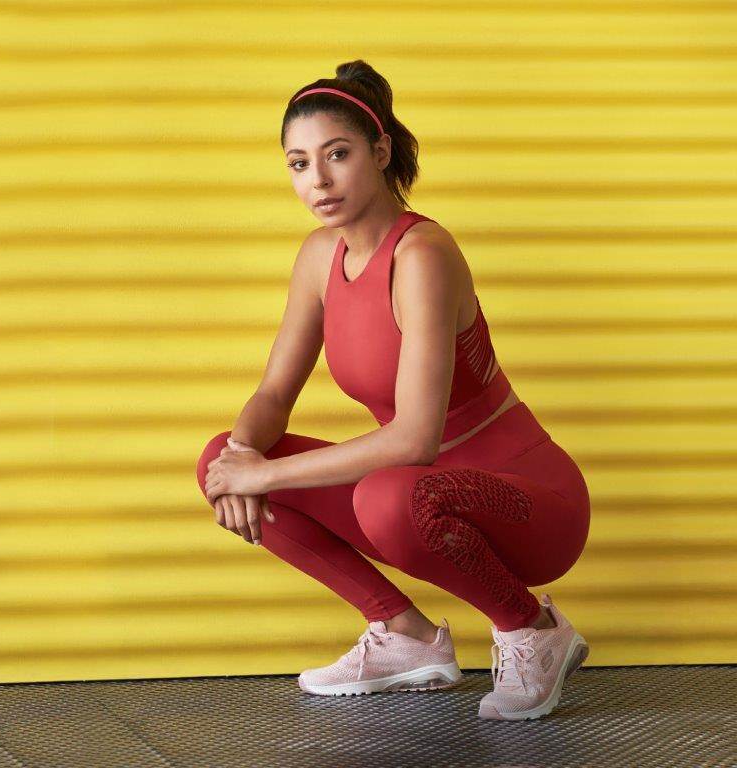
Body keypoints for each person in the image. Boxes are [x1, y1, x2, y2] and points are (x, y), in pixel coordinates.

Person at [196, 59, 591, 721]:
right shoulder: (319, 256)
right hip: (417, 494)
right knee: (220, 458)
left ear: (380, 152)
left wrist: (262, 475)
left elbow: (413, 440)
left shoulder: (422, 256)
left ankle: (533, 630)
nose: (318, 180)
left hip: (532, 504)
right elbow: (272, 396)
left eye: (337, 154)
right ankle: (405, 635)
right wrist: (238, 460)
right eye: (298, 164)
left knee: (386, 494)